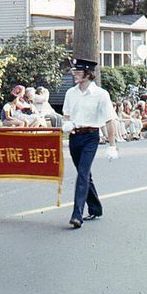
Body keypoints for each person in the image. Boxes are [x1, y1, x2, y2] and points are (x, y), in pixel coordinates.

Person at [62, 58, 111, 229]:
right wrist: (66, 124)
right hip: (75, 137)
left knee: (82, 174)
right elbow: (66, 115)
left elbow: (110, 120)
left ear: (88, 73)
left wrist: (112, 145)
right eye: (74, 71)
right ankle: (96, 208)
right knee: (85, 174)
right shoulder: (71, 93)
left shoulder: (101, 94)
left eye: (78, 71)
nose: (74, 73)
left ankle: (77, 215)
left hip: (91, 136)